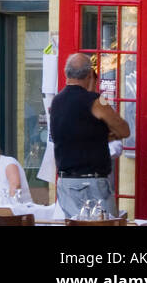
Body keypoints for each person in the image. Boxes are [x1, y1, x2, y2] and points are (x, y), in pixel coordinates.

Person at [50, 52, 131, 219]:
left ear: (67, 73)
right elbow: (124, 130)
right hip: (91, 183)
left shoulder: (56, 101)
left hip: (65, 182)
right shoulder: (97, 100)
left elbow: (76, 132)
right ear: (89, 75)